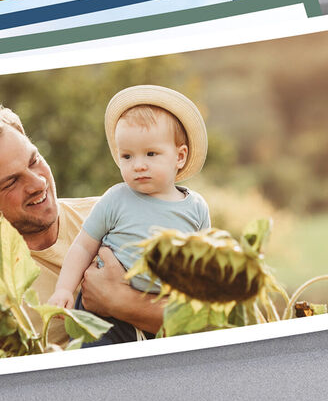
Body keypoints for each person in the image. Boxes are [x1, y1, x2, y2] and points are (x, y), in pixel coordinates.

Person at [0, 101, 163, 356]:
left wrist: (123, 303)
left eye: (34, 160)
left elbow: (205, 320)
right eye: (11, 182)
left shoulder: (114, 216)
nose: (38, 183)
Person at [46, 86, 210, 343]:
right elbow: (82, 247)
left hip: (160, 314)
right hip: (103, 317)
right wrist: (64, 288)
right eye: (127, 156)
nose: (139, 165)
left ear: (179, 157)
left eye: (151, 154)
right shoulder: (116, 199)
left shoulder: (196, 207)